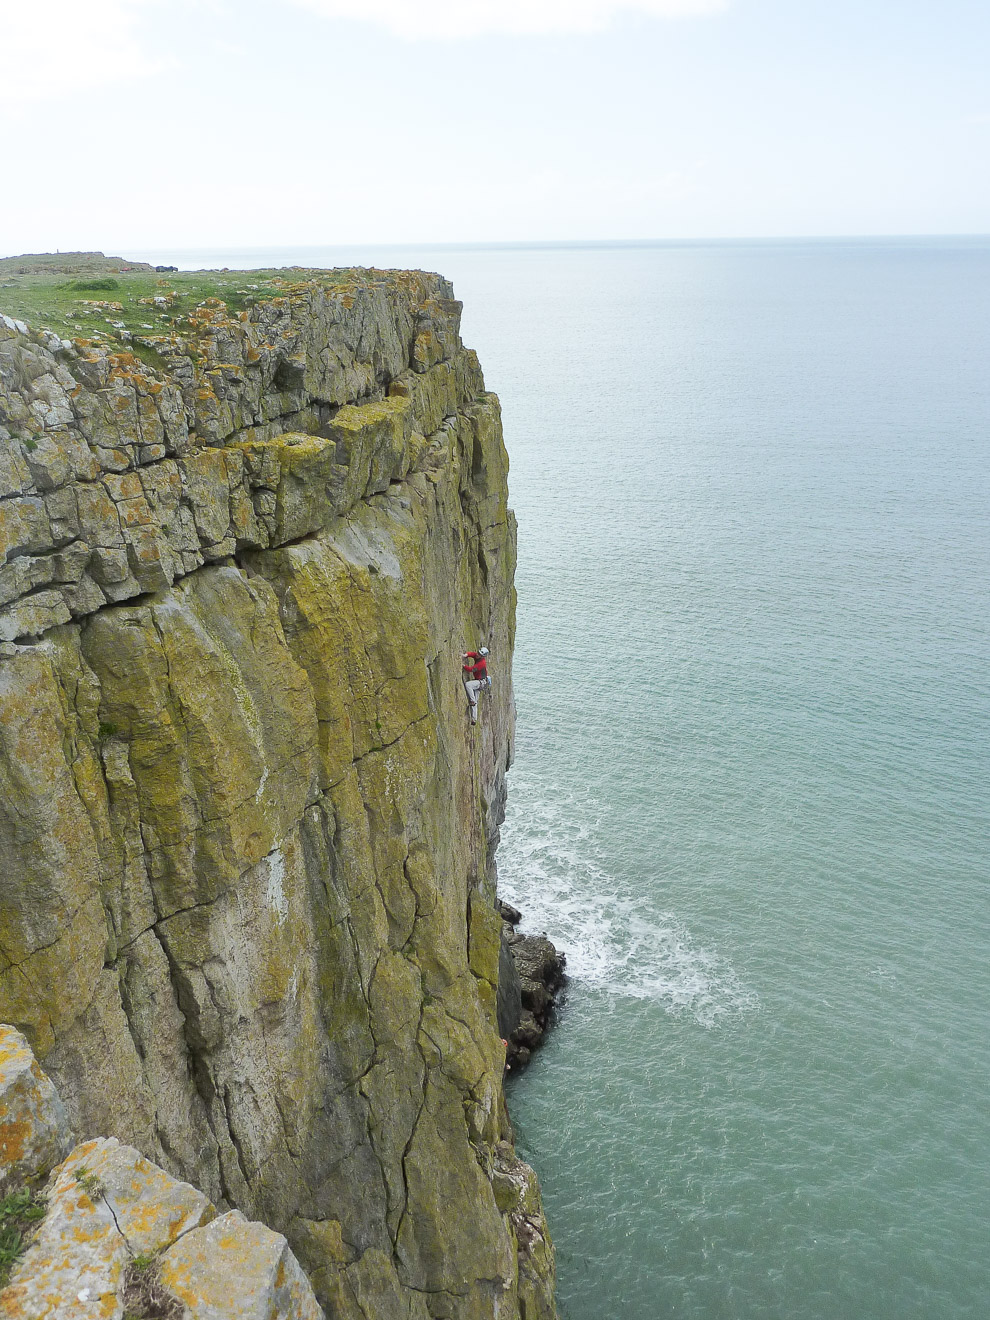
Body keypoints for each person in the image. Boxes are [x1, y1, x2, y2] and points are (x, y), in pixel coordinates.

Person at [462, 647, 491, 724]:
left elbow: (471, 669)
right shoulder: (478, 656)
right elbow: (473, 654)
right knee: (475, 702)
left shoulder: (482, 663)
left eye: (479, 654)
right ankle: (474, 719)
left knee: (468, 685)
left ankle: (472, 700)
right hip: (481, 682)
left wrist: (464, 666)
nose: (477, 655)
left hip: (480, 682)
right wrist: (466, 655)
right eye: (478, 653)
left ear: (482, 656)